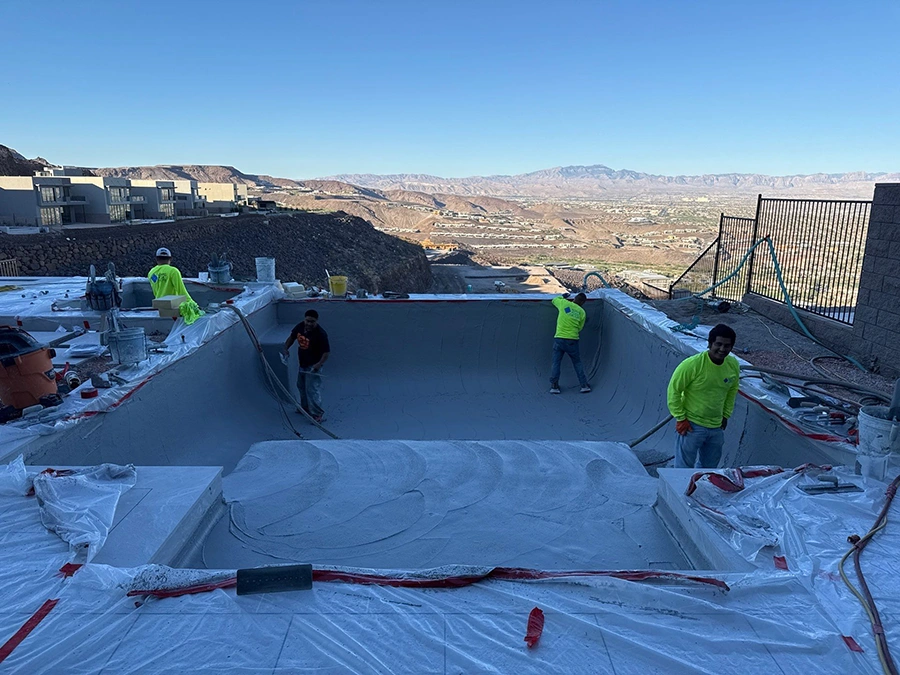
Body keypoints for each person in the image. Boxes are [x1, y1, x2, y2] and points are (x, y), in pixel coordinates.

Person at [667, 323, 740, 469]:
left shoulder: (732, 365)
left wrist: (725, 415)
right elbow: (673, 391)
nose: (722, 349)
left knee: (709, 469)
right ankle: (682, 491)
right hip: (691, 426)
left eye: (727, 346)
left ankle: (699, 490)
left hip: (716, 427)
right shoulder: (692, 365)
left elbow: (732, 390)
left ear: (731, 347)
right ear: (709, 343)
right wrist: (681, 418)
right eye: (718, 344)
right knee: (683, 468)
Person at [282, 309, 330, 423]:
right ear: (304, 319)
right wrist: (285, 349)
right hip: (302, 363)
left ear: (316, 321)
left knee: (312, 390)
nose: (309, 323)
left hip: (313, 366)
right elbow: (292, 338)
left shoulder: (321, 334)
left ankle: (317, 414)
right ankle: (305, 408)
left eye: (312, 321)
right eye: (307, 321)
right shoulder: (299, 327)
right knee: (301, 386)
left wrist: (319, 364)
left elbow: (326, 352)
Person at [549, 292, 591, 394]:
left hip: (559, 338)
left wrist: (563, 296)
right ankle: (584, 385)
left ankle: (554, 386)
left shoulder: (564, 304)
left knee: (556, 362)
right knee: (577, 363)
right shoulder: (582, 312)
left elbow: (554, 300)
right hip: (572, 340)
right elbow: (580, 328)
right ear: (583, 303)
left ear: (574, 298)